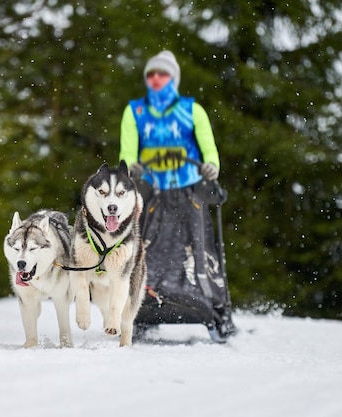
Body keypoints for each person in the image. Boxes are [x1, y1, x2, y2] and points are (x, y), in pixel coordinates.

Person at [119, 50, 236, 342]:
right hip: (150, 192)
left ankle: (215, 307)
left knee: (198, 248)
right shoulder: (135, 111)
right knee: (145, 247)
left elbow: (208, 148)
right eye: (151, 74)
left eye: (162, 73)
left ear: (173, 77)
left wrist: (212, 166)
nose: (156, 78)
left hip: (188, 191)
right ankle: (141, 304)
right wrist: (130, 167)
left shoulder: (192, 110)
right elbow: (127, 152)